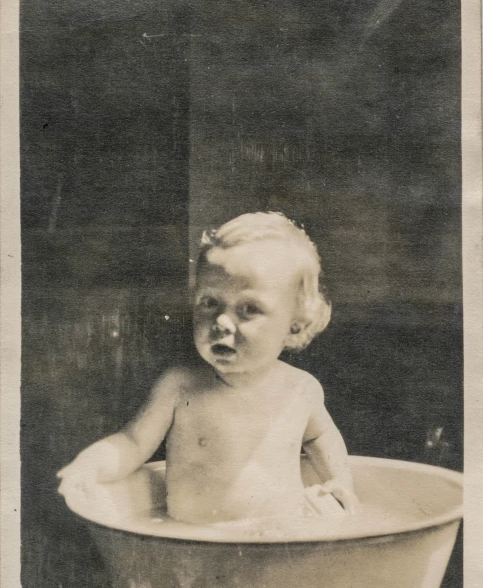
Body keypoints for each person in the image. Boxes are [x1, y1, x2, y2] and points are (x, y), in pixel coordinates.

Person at [57, 211, 358, 525]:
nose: (222, 322)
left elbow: (321, 438)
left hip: (280, 537)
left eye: (249, 309)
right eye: (209, 302)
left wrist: (341, 486)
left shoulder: (300, 389)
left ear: (294, 326)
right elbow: (132, 443)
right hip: (197, 540)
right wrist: (90, 464)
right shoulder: (180, 387)